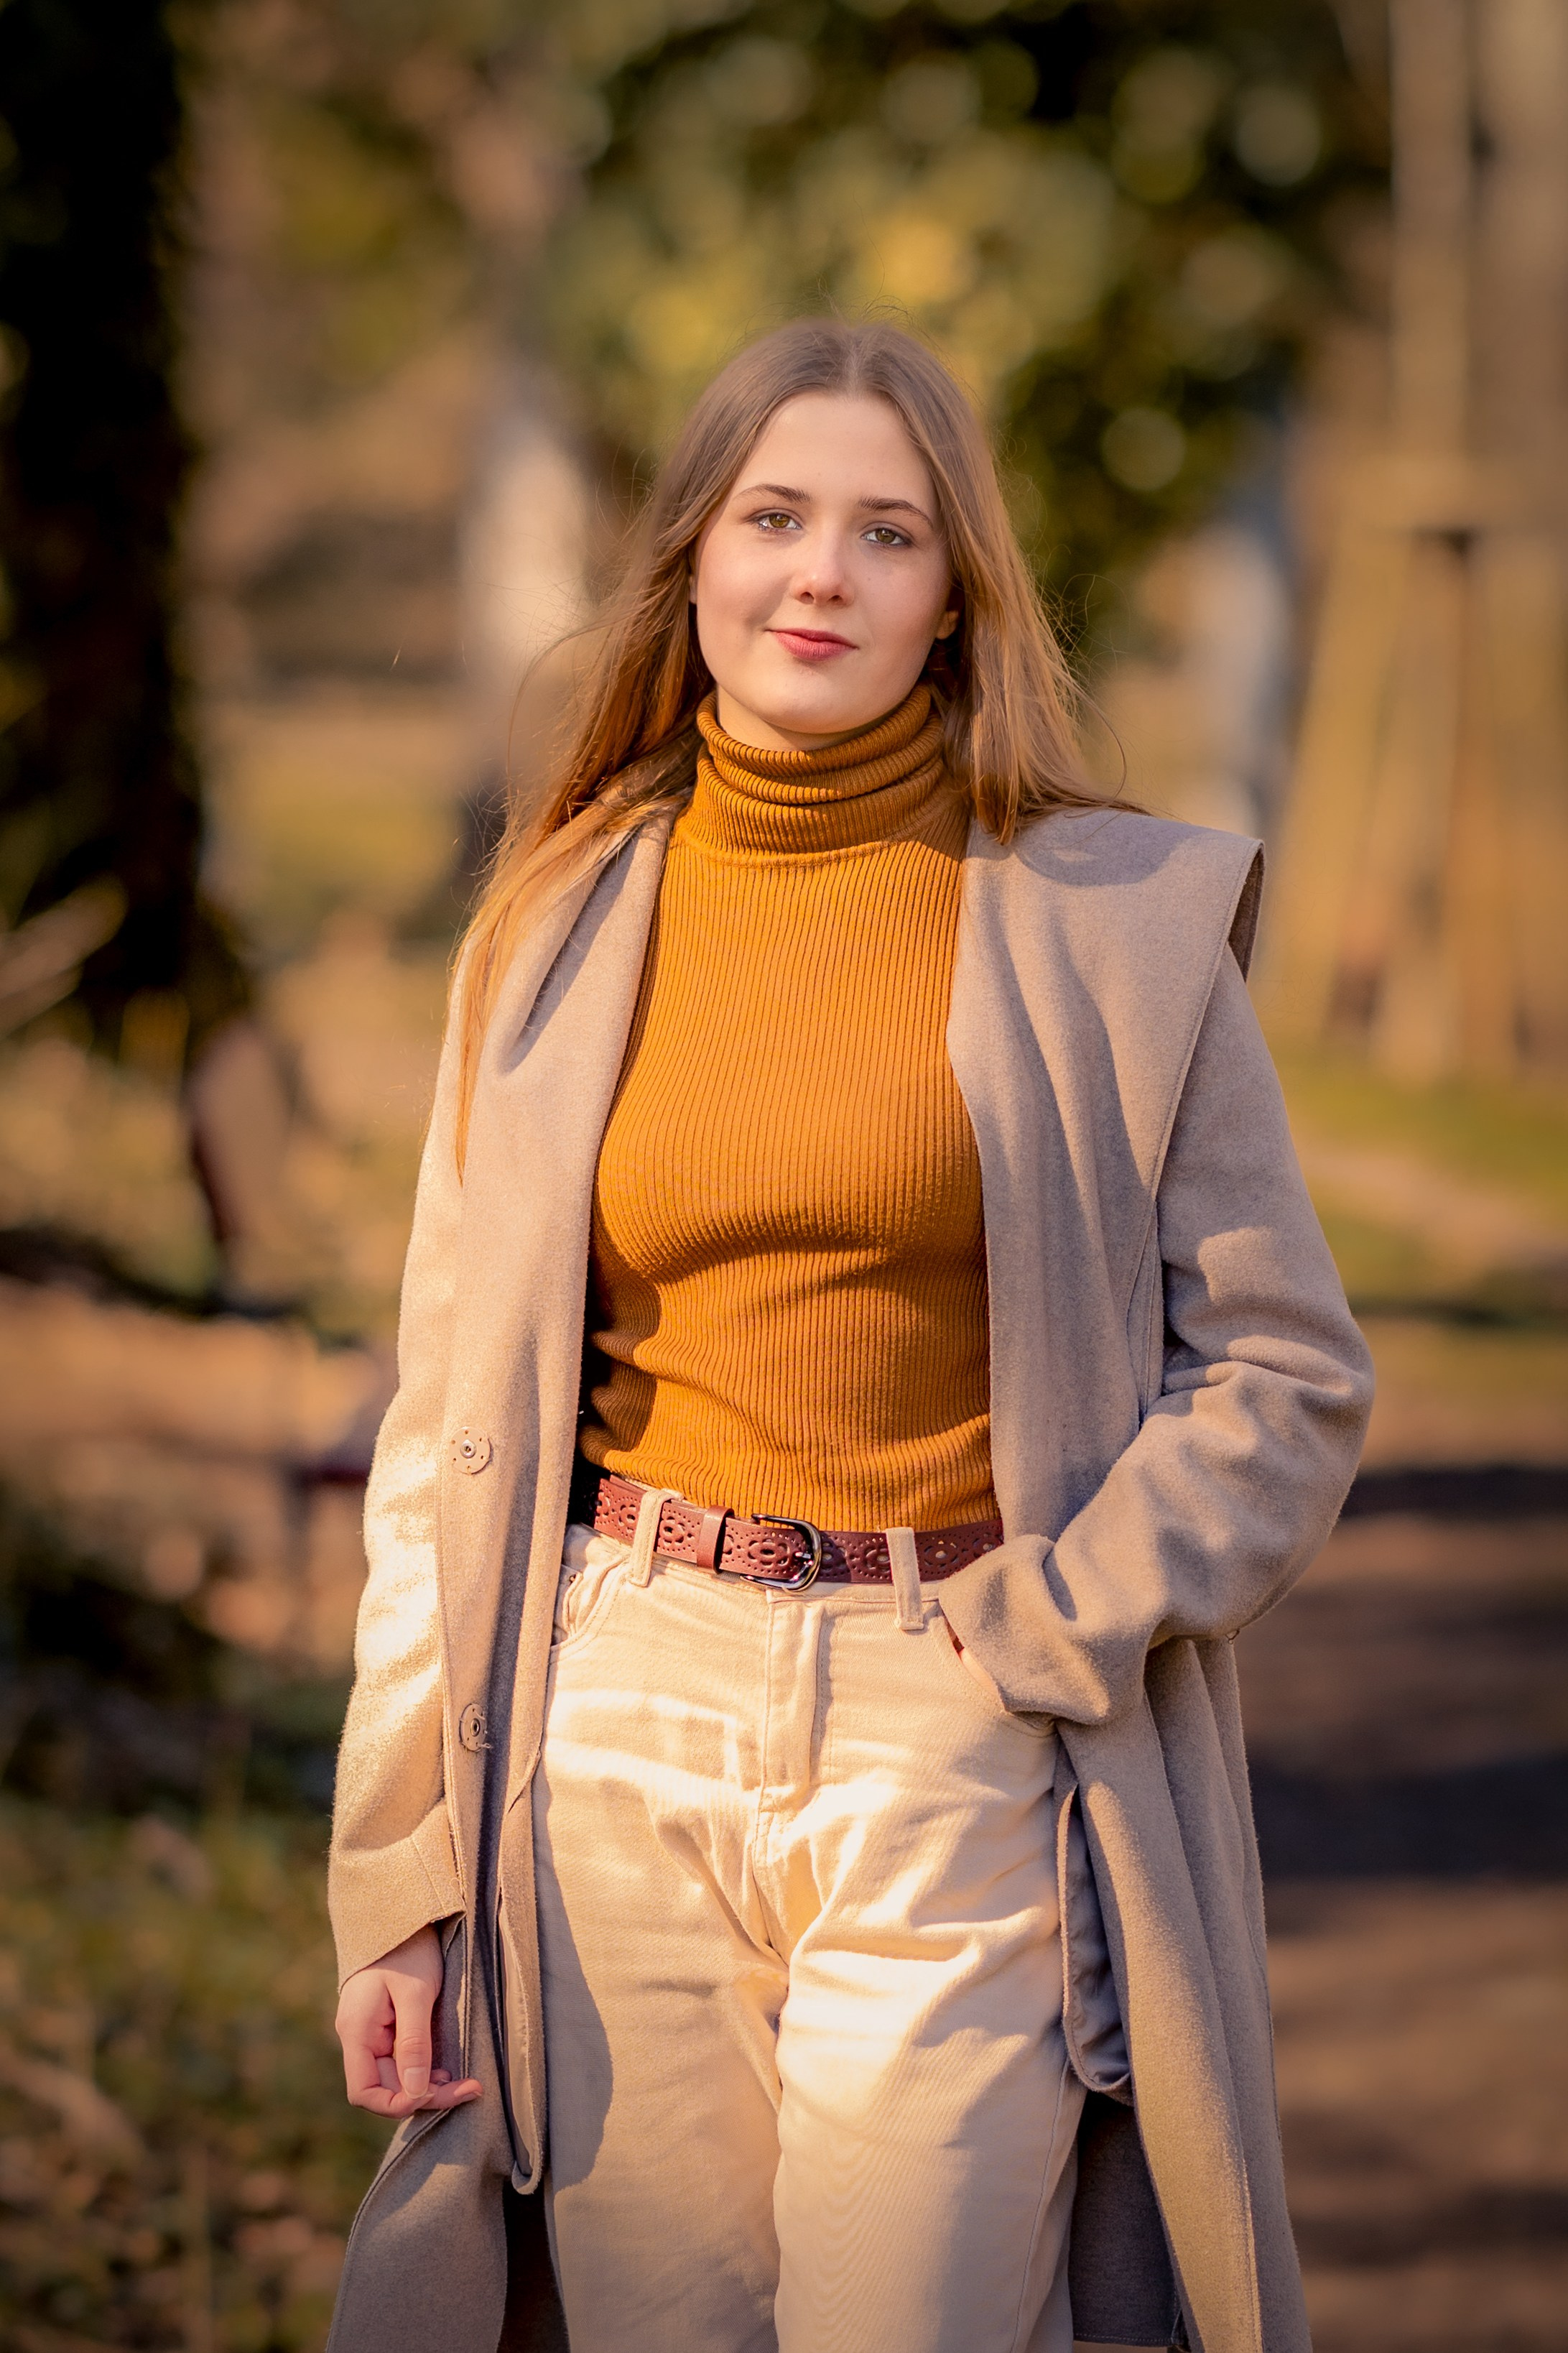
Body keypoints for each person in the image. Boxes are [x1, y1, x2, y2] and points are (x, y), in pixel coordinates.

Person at [325, 317, 1372, 2353]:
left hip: (951, 1726)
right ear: (695, 563)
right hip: (612, 1722)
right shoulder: (550, 928)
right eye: (777, 517)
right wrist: (404, 1870)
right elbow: (440, 1431)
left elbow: (1287, 1373)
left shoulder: (1114, 930)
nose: (822, 572)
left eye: (887, 534)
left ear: (956, 600)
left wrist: (1056, 1622)